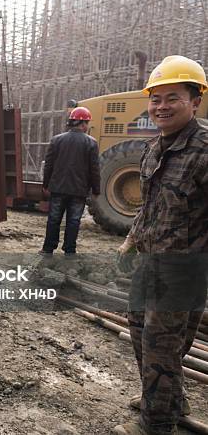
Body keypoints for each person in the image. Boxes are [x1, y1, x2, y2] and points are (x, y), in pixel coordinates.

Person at [114, 55, 208, 435]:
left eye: (173, 98)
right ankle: (168, 396)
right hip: (149, 261)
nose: (161, 107)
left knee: (161, 345)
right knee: (140, 332)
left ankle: (156, 423)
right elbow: (149, 205)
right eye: (156, 99)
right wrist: (130, 241)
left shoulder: (205, 151)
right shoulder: (154, 148)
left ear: (195, 100)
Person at [40, 106, 100, 254]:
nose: (87, 126)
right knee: (73, 221)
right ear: (83, 123)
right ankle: (69, 250)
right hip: (79, 191)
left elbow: (49, 165)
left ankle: (48, 249)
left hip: (58, 188)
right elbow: (94, 169)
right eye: (87, 123)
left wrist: (46, 184)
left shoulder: (57, 140)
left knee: (54, 219)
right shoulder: (91, 143)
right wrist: (96, 190)